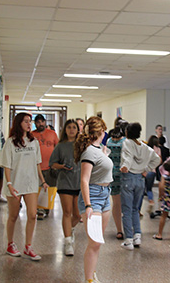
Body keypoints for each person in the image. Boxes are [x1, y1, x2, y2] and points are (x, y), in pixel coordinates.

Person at [0, 112, 48, 260]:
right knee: (13, 216)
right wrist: (9, 184)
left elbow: (37, 163)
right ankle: (10, 244)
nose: (29, 124)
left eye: (29, 121)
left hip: (31, 183)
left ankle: (28, 246)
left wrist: (43, 180)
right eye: (25, 121)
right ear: (18, 123)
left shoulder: (34, 142)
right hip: (15, 184)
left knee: (32, 214)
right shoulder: (11, 142)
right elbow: (6, 165)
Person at [74, 116, 113, 283]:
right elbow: (84, 179)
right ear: (101, 131)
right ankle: (89, 279)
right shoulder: (89, 151)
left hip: (105, 195)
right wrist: (88, 204)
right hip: (94, 196)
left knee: (98, 241)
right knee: (94, 242)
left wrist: (104, 154)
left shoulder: (98, 149)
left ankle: (92, 273)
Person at [120, 122, 161, 250]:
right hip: (140, 180)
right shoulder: (145, 147)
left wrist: (125, 166)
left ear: (127, 133)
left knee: (126, 210)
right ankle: (137, 236)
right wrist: (147, 169)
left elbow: (128, 156)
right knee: (135, 210)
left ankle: (128, 240)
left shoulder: (127, 142)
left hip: (128, 177)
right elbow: (158, 160)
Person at [49, 119, 81, 256]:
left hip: (79, 183)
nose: (72, 130)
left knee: (78, 214)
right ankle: (68, 242)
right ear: (65, 130)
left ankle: (70, 229)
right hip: (65, 182)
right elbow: (52, 163)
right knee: (67, 212)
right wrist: (62, 166)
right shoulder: (60, 146)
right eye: (69, 127)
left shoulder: (82, 145)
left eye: (74, 127)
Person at [32, 114, 59, 219]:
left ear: (45, 122)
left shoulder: (52, 134)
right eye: (38, 122)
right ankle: (39, 210)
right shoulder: (31, 135)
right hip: (36, 167)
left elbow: (57, 148)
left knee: (49, 189)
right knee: (38, 190)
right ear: (35, 124)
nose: (40, 124)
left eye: (42, 122)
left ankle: (46, 209)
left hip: (50, 167)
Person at [106, 125, 126, 240]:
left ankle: (119, 230)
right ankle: (129, 229)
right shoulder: (125, 142)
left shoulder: (109, 141)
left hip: (112, 173)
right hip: (124, 174)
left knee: (116, 203)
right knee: (127, 204)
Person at [145, 135, 161, 214]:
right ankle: (151, 201)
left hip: (145, 171)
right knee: (149, 189)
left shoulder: (146, 149)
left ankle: (138, 209)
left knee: (142, 190)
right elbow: (159, 160)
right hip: (153, 171)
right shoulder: (158, 149)